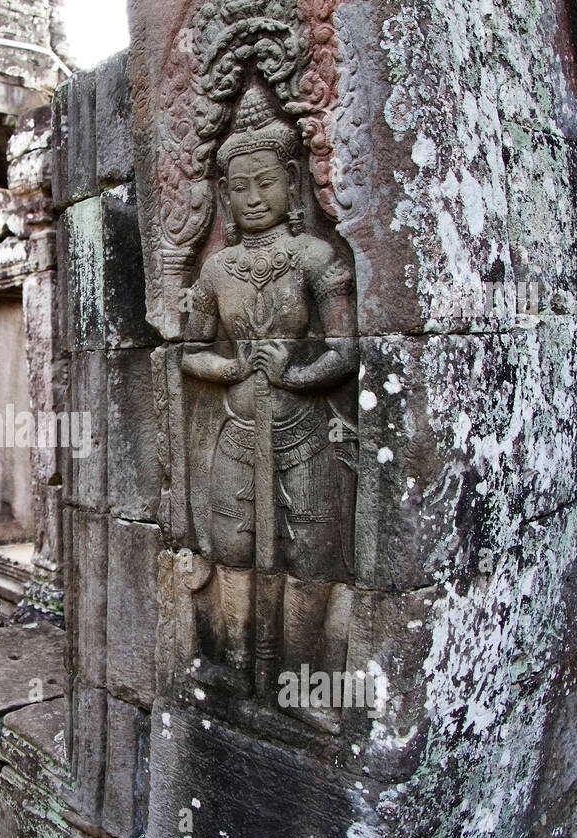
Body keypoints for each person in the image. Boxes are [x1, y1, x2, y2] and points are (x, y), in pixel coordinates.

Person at [181, 80, 357, 726]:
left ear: (291, 180)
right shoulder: (216, 271)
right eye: (242, 189)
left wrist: (295, 370)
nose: (255, 199)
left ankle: (304, 682)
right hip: (234, 431)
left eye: (267, 184)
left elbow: (346, 351)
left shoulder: (317, 258)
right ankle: (234, 662)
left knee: (310, 559)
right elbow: (187, 353)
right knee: (234, 553)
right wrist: (228, 366)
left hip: (303, 431)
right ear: (225, 195)